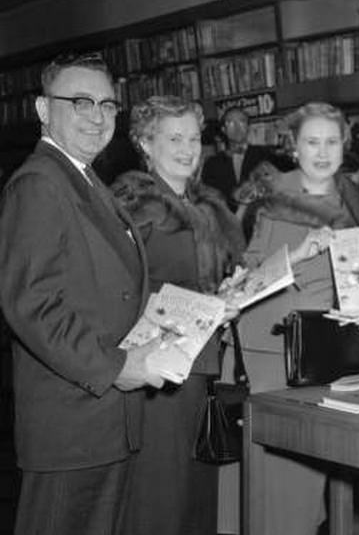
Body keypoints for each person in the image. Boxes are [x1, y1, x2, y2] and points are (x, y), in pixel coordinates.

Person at [0, 52, 165, 535]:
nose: (97, 116)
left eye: (108, 104)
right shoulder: (38, 184)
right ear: (43, 110)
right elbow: (32, 305)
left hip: (103, 419)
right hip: (72, 423)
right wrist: (117, 367)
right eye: (80, 101)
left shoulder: (85, 178)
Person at [217, 101, 359, 535]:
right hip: (262, 349)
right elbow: (244, 276)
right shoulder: (268, 196)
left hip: (318, 357)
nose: (321, 152)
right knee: (251, 481)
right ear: (293, 147)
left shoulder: (357, 199)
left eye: (331, 141)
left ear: (345, 145)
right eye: (311, 142)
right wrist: (298, 252)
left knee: (304, 484)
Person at [111, 95, 246, 535]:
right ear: (146, 144)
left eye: (193, 137)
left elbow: (202, 279)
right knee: (160, 492)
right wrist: (199, 306)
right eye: (174, 138)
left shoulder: (207, 207)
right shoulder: (134, 208)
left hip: (201, 364)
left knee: (196, 489)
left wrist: (226, 294)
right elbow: (118, 292)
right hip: (157, 365)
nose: (188, 148)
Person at [202, 107, 278, 212]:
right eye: (231, 123)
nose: (237, 127)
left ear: (248, 127)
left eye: (242, 122)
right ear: (224, 129)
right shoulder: (212, 164)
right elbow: (209, 199)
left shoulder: (266, 155)